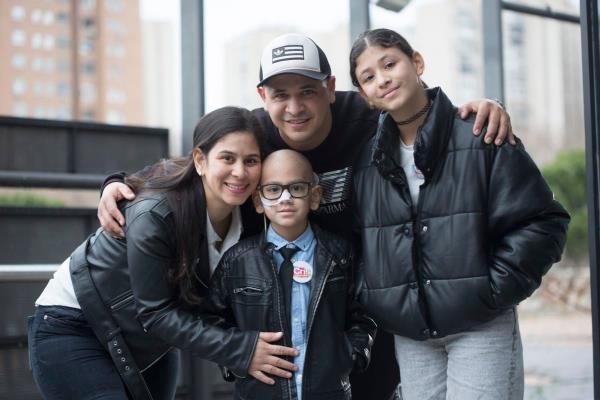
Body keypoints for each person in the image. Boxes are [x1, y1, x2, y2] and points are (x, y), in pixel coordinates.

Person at [97, 34, 516, 400]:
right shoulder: (256, 134)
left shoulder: (369, 119)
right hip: (282, 309)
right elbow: (196, 166)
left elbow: (420, 115)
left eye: (308, 91)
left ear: (330, 88)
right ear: (263, 97)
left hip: (366, 299)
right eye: (280, 94)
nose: (294, 107)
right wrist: (118, 183)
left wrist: (482, 109)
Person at [349, 28, 570, 400]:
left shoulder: (481, 134)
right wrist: (378, 298)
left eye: (390, 64)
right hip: (412, 336)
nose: (382, 79)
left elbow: (543, 222)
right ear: (364, 96)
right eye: (368, 77)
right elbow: (361, 244)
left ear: (417, 63)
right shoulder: (367, 164)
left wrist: (490, 291)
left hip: (479, 325)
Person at [27, 107, 300, 400]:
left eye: (251, 161)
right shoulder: (157, 212)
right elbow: (156, 312)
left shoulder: (250, 213)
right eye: (227, 158)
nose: (240, 172)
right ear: (200, 160)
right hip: (76, 325)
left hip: (150, 337)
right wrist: (240, 349)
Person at [205, 149, 376, 399]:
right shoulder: (237, 261)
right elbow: (211, 320)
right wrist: (239, 357)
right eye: (273, 189)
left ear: (314, 197)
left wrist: (349, 355)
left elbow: (365, 313)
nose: (285, 198)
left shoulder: (340, 254)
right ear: (258, 201)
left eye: (296, 188)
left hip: (328, 392)